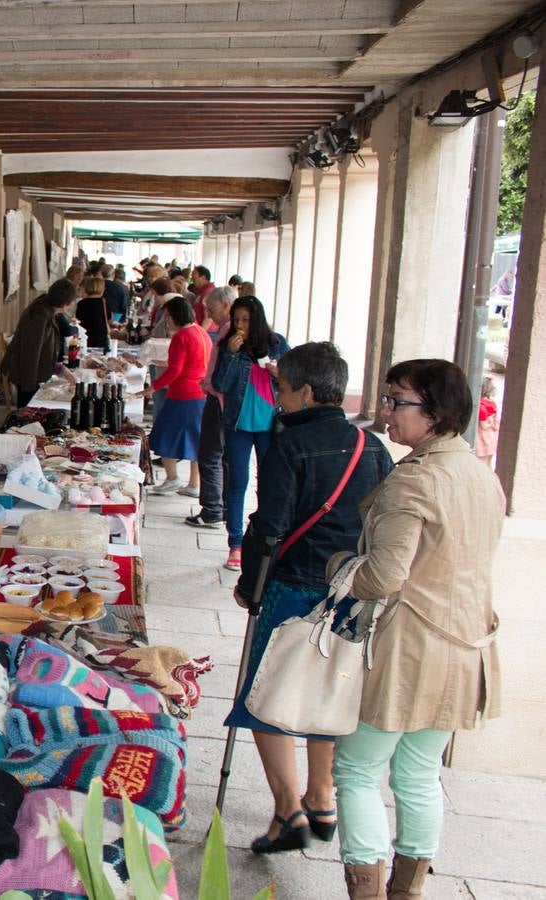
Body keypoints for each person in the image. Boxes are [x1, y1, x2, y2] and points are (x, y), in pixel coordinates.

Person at [328, 359, 504, 899]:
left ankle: (367, 891)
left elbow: (383, 576)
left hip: (408, 648)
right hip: (464, 645)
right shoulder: (480, 474)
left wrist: (337, 567)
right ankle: (406, 892)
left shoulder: (415, 481)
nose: (386, 411)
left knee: (356, 771)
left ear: (433, 413)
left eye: (397, 401)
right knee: (419, 773)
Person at [223, 342, 393, 857]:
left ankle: (287, 810)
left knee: (264, 695)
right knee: (325, 692)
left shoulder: (290, 447)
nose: (278, 397)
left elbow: (270, 527)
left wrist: (250, 584)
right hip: (348, 593)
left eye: (283, 388)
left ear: (307, 391)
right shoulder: (374, 447)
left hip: (294, 585)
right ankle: (321, 799)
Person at [213, 295, 290, 570]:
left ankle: (265, 540)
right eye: (236, 320)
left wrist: (278, 372)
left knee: (269, 482)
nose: (241, 325)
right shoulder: (228, 346)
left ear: (257, 319)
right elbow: (219, 383)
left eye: (246, 320)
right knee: (238, 482)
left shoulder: (277, 344)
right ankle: (236, 543)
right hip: (238, 424)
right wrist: (232, 356)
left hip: (271, 424)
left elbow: (292, 384)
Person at [140, 296, 210, 495]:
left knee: (164, 435)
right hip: (200, 394)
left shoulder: (181, 336)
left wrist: (152, 388)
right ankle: (194, 483)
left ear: (177, 315)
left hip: (182, 394)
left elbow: (174, 371)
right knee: (197, 438)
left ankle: (172, 478)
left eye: (168, 316)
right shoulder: (201, 332)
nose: (167, 321)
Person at [186, 287, 235, 528]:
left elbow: (223, 371)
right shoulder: (229, 329)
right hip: (224, 400)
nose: (209, 314)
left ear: (226, 304)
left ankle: (212, 509)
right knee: (222, 455)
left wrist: (209, 383)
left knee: (209, 453)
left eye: (212, 309)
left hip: (219, 399)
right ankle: (223, 507)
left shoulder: (229, 330)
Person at [1, 279, 79, 408]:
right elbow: (32, 352)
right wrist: (30, 387)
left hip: (31, 373)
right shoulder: (40, 315)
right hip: (28, 375)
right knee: (27, 415)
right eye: (69, 303)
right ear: (64, 303)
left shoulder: (46, 308)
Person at [74, 275, 111, 351]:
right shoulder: (104, 302)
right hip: (100, 338)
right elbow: (109, 319)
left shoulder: (81, 303)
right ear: (101, 289)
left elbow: (78, 320)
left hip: (84, 338)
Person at [476, 376, 499, 465]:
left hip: (483, 441)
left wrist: (489, 421)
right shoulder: (492, 403)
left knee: (482, 464)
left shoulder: (481, 405)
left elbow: (484, 425)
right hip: (492, 439)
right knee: (489, 464)